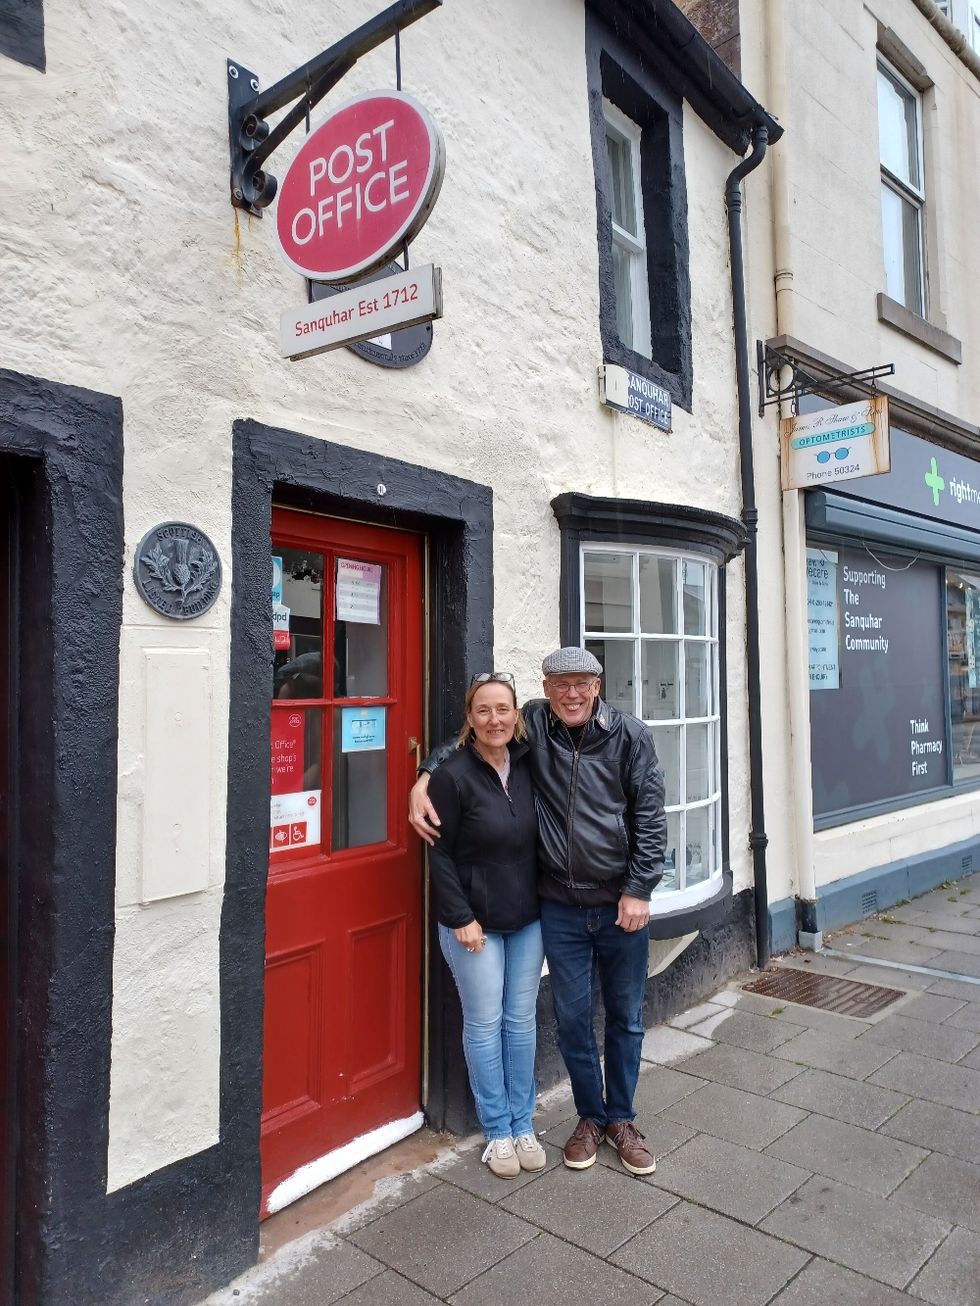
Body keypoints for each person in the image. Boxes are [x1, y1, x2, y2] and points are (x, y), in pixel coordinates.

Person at [411, 647, 666, 1176]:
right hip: (561, 907)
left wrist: (640, 888)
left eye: (581, 683)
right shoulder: (534, 725)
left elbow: (650, 817)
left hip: (620, 904)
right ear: (545, 690)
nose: (571, 694)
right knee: (571, 1020)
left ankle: (621, 1120)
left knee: (625, 1017)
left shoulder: (630, 736)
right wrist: (424, 776)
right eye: (560, 684)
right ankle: (589, 1118)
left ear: (597, 686)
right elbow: (475, 736)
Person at [427, 671, 547, 1179]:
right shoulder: (451, 776)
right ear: (469, 718)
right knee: (484, 1024)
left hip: (528, 919)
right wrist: (461, 917)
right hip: (474, 924)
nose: (494, 719)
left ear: (516, 715)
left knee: (521, 1022)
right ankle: (497, 1131)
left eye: (503, 709)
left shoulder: (530, 762)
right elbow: (438, 854)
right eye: (483, 710)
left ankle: (523, 1123)